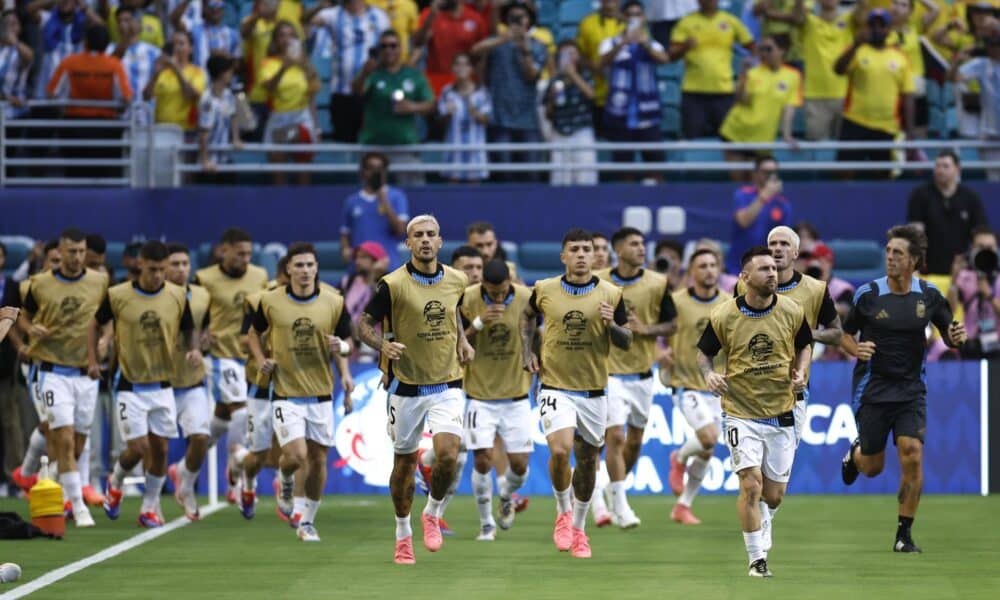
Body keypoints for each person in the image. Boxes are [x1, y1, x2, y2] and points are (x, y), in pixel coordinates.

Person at [355, 214, 474, 564]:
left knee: (450, 453)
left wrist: (463, 341)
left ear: (440, 241)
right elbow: (362, 324)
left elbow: (455, 313)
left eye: (431, 235)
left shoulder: (457, 279)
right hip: (406, 386)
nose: (425, 240)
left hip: (447, 382)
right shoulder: (392, 284)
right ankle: (403, 532)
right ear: (408, 243)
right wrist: (382, 346)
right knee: (404, 463)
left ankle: (432, 513)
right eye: (418, 235)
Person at [840, 225, 967, 553]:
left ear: (914, 261)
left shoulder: (928, 295)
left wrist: (957, 336)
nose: (890, 257)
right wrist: (856, 350)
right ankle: (855, 456)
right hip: (873, 388)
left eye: (898, 253)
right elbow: (843, 333)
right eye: (888, 251)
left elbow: (948, 333)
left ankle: (903, 535)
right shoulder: (867, 294)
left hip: (911, 389)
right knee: (872, 467)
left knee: (912, 453)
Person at [696, 245, 813, 577]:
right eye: (764, 269)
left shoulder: (792, 310)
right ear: (745, 277)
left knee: (773, 496)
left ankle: (765, 517)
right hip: (740, 411)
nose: (773, 273)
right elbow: (704, 353)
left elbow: (805, 343)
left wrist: (801, 370)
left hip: (781, 412)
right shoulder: (724, 315)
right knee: (750, 484)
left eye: (774, 269)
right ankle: (756, 560)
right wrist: (709, 374)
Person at [519, 228, 632, 559]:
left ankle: (580, 529)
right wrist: (528, 351)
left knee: (586, 462)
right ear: (563, 256)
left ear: (596, 256)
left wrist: (612, 325)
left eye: (588, 249)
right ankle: (563, 512)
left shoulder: (612, 293)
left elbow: (627, 341)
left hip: (594, 391)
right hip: (555, 385)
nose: (583, 254)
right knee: (560, 450)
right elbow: (526, 317)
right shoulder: (544, 289)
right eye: (575, 249)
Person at [247, 243, 353, 542]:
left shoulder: (333, 302)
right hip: (286, 391)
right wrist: (260, 360)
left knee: (319, 461)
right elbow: (253, 333)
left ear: (316, 268)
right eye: (299, 265)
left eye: (310, 265)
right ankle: (285, 478)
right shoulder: (270, 301)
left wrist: (345, 372)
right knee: (296, 454)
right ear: (288, 270)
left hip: (321, 392)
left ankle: (307, 521)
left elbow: (346, 342)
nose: (305, 270)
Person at [94, 241, 197, 528]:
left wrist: (194, 349)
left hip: (163, 384)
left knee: (161, 450)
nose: (157, 276)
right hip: (130, 384)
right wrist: (96, 352)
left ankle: (149, 507)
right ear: (140, 264)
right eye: (152, 270)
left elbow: (189, 327)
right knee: (138, 448)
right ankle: (114, 483)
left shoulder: (177, 295)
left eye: (162, 270)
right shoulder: (117, 295)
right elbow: (96, 323)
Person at [18, 228, 109, 528]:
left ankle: (45, 481)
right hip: (52, 371)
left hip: (85, 373)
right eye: (72, 252)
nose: (77, 257)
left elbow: (108, 320)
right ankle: (77, 506)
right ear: (61, 252)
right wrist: (31, 329)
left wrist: (105, 340)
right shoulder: (40, 284)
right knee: (64, 438)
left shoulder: (99, 281)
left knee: (78, 445)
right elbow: (20, 314)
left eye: (81, 252)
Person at [592, 227, 675, 528]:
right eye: (634, 244)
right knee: (614, 437)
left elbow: (672, 324)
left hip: (642, 374)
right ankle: (622, 505)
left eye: (643, 244)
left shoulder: (657, 282)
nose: (642, 249)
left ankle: (609, 490)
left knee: (634, 443)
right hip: (609, 372)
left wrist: (647, 330)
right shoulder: (599, 281)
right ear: (618, 249)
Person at [458, 259, 533, 539]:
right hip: (480, 395)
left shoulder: (527, 298)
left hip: (516, 396)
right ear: (483, 286)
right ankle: (486, 523)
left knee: (520, 466)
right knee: (482, 460)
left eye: (503, 291)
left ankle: (506, 493)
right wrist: (478, 323)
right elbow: (457, 344)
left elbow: (539, 332)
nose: (498, 297)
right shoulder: (467, 300)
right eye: (492, 291)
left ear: (509, 283)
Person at [193, 228, 268, 504]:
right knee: (240, 413)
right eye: (239, 254)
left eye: (248, 253)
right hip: (221, 354)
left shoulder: (260, 276)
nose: (245, 259)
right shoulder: (205, 278)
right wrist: (199, 336)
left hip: (250, 355)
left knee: (223, 417)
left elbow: (264, 312)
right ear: (223, 251)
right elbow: (194, 313)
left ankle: (185, 469)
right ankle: (236, 474)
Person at [665, 248, 727, 524]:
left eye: (713, 265)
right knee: (708, 438)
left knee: (707, 448)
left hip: (718, 384)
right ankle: (678, 458)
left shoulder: (729, 303)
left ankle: (683, 506)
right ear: (692, 272)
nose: (709, 270)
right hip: (686, 382)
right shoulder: (676, 301)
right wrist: (659, 353)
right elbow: (654, 330)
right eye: (702, 265)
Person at [162, 244, 211, 521]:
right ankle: (147, 502)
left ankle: (186, 482)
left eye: (185, 263)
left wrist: (206, 338)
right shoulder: (153, 297)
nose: (181, 269)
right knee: (153, 447)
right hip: (159, 382)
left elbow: (207, 325)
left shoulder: (203, 295)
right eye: (175, 264)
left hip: (192, 380)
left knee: (201, 438)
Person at [473, 1, 548, 181]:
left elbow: (532, 76)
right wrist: (504, 38)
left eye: (521, 17)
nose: (517, 21)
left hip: (528, 119)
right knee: (503, 175)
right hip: (500, 118)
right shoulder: (498, 42)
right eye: (512, 17)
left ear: (529, 20)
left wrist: (525, 50)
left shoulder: (538, 46)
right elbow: (475, 50)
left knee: (531, 175)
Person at [834, 9, 915, 173]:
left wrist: (911, 132)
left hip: (886, 127)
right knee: (845, 174)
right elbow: (838, 69)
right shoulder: (857, 51)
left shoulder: (900, 57)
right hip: (855, 123)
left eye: (882, 25)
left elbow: (908, 95)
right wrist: (856, 45)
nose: (877, 29)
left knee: (882, 177)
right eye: (872, 25)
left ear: (889, 30)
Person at [600, 1, 669, 181]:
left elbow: (664, 59)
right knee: (624, 170)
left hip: (648, 115)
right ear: (623, 18)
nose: (634, 18)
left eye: (638, 14)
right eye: (630, 15)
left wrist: (644, 43)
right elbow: (602, 62)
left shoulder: (652, 44)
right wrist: (622, 42)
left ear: (644, 18)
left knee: (656, 169)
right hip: (620, 115)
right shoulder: (610, 42)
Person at [354, 29, 434, 182]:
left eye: (393, 46)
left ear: (400, 48)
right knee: (370, 195)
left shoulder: (413, 75)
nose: (388, 50)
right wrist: (364, 73)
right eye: (384, 46)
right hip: (374, 146)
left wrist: (412, 107)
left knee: (414, 195)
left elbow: (430, 105)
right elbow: (358, 92)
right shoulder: (372, 73)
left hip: (404, 145)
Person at [670, 0, 754, 139]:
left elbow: (751, 46)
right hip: (693, 92)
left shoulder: (730, 21)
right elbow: (671, 55)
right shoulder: (686, 22)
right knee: (691, 137)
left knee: (728, 138)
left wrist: (749, 67)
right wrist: (685, 46)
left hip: (723, 90)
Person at [312, 0, 390, 143]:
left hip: (371, 93)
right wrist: (319, 5)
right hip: (342, 92)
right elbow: (306, 22)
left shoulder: (379, 17)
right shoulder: (333, 14)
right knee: (343, 141)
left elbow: (388, 47)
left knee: (372, 140)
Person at [719, 33, 801, 159]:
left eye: (769, 49)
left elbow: (789, 107)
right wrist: (743, 76)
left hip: (763, 138)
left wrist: (787, 135)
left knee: (761, 177)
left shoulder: (793, 76)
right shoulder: (753, 72)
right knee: (739, 178)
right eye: (761, 49)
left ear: (782, 50)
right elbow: (742, 100)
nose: (764, 53)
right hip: (736, 132)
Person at [906, 150, 988, 276]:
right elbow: (915, 234)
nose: (940, 170)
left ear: (957, 169)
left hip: (961, 270)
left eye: (945, 166)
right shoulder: (920, 195)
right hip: (929, 270)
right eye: (937, 166)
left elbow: (980, 233)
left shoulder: (970, 197)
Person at [261, 21, 320, 186]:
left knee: (303, 170)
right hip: (279, 118)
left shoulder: (305, 65)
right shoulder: (268, 63)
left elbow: (311, 97)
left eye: (290, 35)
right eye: (282, 35)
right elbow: (269, 88)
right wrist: (283, 68)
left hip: (301, 118)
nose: (286, 39)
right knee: (278, 172)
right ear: (275, 40)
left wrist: (316, 127)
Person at [793, 0, 852, 141]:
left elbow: (863, 11)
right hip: (815, 97)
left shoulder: (849, 19)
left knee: (845, 146)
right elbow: (797, 17)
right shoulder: (809, 22)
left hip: (844, 93)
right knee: (816, 149)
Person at [340, 152, 410, 270]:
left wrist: (384, 201)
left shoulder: (397, 197)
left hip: (388, 268)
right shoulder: (351, 201)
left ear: (385, 172)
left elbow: (400, 230)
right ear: (362, 172)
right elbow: (345, 233)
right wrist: (345, 249)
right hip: (359, 268)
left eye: (379, 169)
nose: (375, 172)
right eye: (371, 168)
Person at [28, 0, 104, 100]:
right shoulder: (47, 18)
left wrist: (83, 7)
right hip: (47, 86)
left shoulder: (83, 21)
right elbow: (30, 9)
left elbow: (101, 26)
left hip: (73, 89)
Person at [728, 156, 792, 274]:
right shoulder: (742, 194)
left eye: (774, 172)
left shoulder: (783, 203)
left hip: (768, 268)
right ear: (755, 174)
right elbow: (744, 221)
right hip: (739, 265)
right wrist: (764, 196)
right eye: (766, 172)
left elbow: (784, 238)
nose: (771, 175)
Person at [546, 40, 597, 186]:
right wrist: (552, 97)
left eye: (572, 53)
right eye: (565, 53)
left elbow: (591, 95)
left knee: (585, 178)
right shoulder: (555, 81)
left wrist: (573, 75)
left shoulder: (585, 75)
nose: (569, 56)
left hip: (581, 131)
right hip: (560, 132)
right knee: (560, 179)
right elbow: (548, 113)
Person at [949, 35, 1000, 180]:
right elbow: (953, 78)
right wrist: (957, 61)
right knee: (994, 179)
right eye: (991, 44)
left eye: (998, 44)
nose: (995, 48)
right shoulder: (981, 64)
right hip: (991, 134)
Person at [414, 0, 489, 96]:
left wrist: (480, 85)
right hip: (436, 80)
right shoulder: (430, 13)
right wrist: (430, 18)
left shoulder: (475, 18)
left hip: (466, 83)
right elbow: (417, 43)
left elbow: (481, 58)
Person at [438, 53, 492, 183]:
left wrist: (475, 112)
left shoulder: (482, 92)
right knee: (452, 190)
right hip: (454, 149)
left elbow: (487, 120)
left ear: (471, 69)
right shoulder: (447, 92)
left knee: (475, 192)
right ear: (453, 69)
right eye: (457, 64)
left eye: (465, 64)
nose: (461, 68)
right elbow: (440, 122)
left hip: (475, 150)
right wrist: (447, 114)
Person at [948, 226, 1000, 358]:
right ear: (972, 249)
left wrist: (989, 295)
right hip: (970, 346)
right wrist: (953, 280)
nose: (985, 251)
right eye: (980, 246)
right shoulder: (965, 276)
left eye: (990, 247)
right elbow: (949, 310)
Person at [144, 29, 206, 132]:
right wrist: (155, 74)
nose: (176, 47)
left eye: (181, 44)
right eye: (174, 44)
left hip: (186, 131)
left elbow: (191, 95)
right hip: (161, 130)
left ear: (190, 49)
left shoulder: (197, 72)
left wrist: (176, 68)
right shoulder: (163, 72)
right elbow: (146, 96)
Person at [576, 0, 624, 133]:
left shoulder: (629, 24)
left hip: (625, 96)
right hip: (597, 94)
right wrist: (592, 65)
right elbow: (579, 56)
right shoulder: (587, 23)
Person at [108, 6, 161, 112]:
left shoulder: (154, 52)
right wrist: (126, 37)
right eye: (120, 21)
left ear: (139, 24)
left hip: (146, 115)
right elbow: (111, 63)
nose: (123, 24)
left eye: (127, 20)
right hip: (119, 115)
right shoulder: (109, 49)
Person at [241, 0, 280, 138]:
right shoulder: (252, 23)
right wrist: (258, 15)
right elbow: (244, 32)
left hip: (279, 96)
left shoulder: (282, 28)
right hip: (257, 94)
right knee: (255, 138)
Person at [198, 55, 243, 174]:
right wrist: (205, 160)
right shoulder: (207, 99)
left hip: (225, 158)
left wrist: (236, 138)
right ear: (222, 74)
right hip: (211, 162)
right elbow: (204, 132)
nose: (231, 75)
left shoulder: (228, 95)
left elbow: (233, 116)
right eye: (229, 72)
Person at [172, 0, 242, 68]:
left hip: (224, 79)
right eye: (211, 5)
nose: (215, 9)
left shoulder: (232, 34)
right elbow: (174, 20)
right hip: (199, 78)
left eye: (219, 5)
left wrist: (224, 57)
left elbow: (237, 65)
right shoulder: (195, 30)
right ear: (204, 7)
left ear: (223, 9)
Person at [0, 9, 33, 120]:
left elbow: (29, 57)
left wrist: (13, 41)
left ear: (20, 28)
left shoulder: (21, 50)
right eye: (5, 24)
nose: (9, 28)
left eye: (13, 24)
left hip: (16, 114)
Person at [369, 0, 420, 64]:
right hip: (375, 63)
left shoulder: (409, 5)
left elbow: (416, 41)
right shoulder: (368, 2)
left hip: (402, 62)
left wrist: (410, 63)